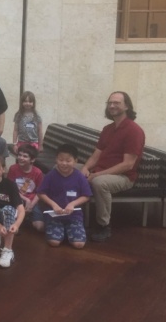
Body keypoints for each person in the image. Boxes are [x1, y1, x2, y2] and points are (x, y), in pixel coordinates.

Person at [81, 91, 145, 242]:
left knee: (99, 183)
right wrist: (85, 168)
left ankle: (103, 225)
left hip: (123, 177)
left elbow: (128, 165)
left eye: (116, 103)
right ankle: (69, 216)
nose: (112, 105)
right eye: (110, 103)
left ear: (127, 106)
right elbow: (96, 156)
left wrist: (97, 175)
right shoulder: (108, 129)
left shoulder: (134, 131)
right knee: (68, 169)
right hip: (101, 170)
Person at [38, 144, 92, 249]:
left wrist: (72, 204)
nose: (64, 163)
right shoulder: (51, 175)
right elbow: (41, 193)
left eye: (68, 161)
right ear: (56, 159)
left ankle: (68, 230)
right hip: (55, 215)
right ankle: (63, 230)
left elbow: (86, 196)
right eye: (61, 160)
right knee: (54, 242)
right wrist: (53, 205)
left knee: (79, 244)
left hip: (74, 216)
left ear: (75, 161)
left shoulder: (79, 177)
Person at [7, 143, 45, 232]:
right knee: (12, 226)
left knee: (39, 227)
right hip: (16, 198)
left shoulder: (38, 172)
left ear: (32, 159)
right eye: (19, 155)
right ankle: (21, 217)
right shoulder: (13, 169)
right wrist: (25, 199)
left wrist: (31, 204)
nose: (21, 158)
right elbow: (10, 189)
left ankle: (26, 218)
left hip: (32, 201)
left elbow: (39, 191)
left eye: (25, 156)